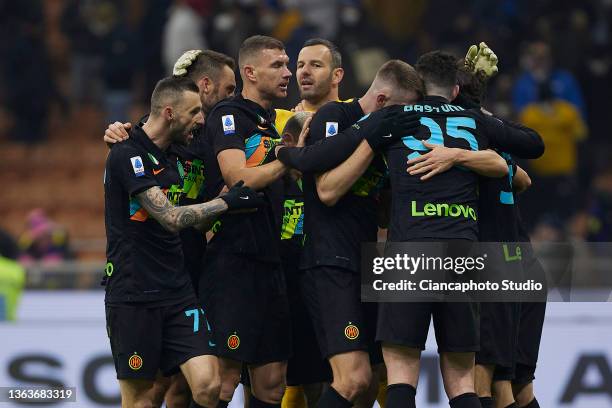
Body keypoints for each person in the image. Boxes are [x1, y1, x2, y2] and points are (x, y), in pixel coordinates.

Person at [103, 76, 262, 408]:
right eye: (194, 113)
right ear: (169, 112)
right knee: (141, 400)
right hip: (133, 292)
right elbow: (172, 218)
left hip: (177, 292)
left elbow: (193, 215)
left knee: (207, 385)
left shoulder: (175, 156)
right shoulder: (126, 153)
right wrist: (229, 202)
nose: (201, 120)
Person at [275, 60, 423, 408]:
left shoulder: (386, 136)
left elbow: (379, 207)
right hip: (329, 261)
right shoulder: (334, 118)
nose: (400, 120)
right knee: (352, 379)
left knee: (370, 382)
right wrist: (372, 140)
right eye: (399, 111)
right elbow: (327, 190)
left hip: (366, 261)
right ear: (383, 101)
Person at [198, 35, 292, 408]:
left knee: (272, 384)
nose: (288, 73)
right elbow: (237, 176)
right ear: (249, 72)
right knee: (224, 381)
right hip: (233, 259)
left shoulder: (269, 123)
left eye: (288, 65)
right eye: (278, 66)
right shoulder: (228, 115)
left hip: (272, 259)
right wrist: (291, 158)